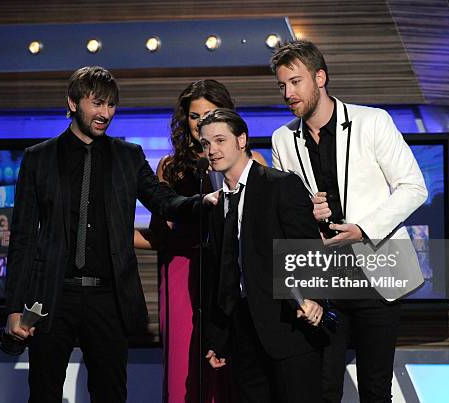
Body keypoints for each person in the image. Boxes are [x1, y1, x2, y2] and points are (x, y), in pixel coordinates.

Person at [4, 66, 203, 403]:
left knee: (111, 394)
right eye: (97, 104)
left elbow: (163, 201)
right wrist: (12, 308)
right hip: (52, 297)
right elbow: (22, 237)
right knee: (43, 393)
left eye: (111, 105)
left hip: (109, 298)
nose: (105, 114)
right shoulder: (38, 159)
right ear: (72, 102)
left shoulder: (128, 156)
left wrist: (204, 203)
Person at [270, 40, 428, 403]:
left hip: (379, 269)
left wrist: (362, 229)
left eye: (296, 82)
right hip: (324, 277)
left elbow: (413, 187)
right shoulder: (283, 139)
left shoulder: (372, 121)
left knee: (375, 389)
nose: (288, 93)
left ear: (320, 78)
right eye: (282, 85)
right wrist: (308, 213)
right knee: (322, 389)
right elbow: (287, 212)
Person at [134, 79, 265, 402]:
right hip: (182, 270)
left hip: (234, 273)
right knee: (184, 369)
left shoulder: (254, 162)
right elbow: (160, 235)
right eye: (195, 116)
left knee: (233, 365)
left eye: (210, 113)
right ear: (185, 121)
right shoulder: (170, 167)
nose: (202, 122)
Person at [199, 108, 326, 403]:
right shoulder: (218, 201)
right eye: (206, 144)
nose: (212, 150)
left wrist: (314, 299)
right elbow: (222, 273)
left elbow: (308, 249)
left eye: (220, 140)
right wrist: (217, 337)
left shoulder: (279, 184)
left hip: (289, 326)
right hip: (244, 333)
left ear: (241, 140)